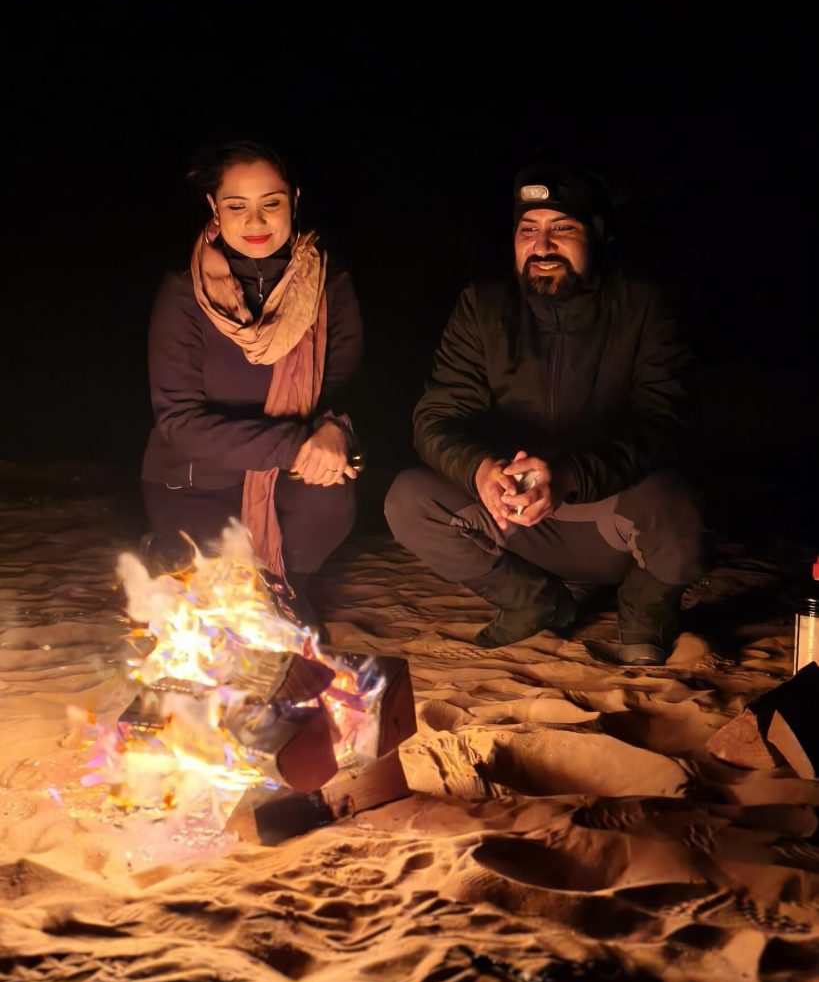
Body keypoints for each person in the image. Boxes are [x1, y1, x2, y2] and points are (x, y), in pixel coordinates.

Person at [385, 162, 703, 666]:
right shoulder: (483, 308)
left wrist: (570, 475)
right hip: (514, 515)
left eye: (563, 228)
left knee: (681, 509)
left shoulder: (642, 307)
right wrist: (481, 470)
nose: (542, 245)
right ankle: (535, 601)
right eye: (528, 229)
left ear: (596, 235)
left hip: (608, 520)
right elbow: (436, 417)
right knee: (408, 499)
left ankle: (645, 613)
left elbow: (666, 425)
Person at [141, 140, 362, 616]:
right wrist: (294, 445)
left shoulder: (328, 284)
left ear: (294, 200)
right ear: (214, 207)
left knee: (328, 495)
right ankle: (172, 554)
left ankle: (290, 587)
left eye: (270, 204)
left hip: (288, 478)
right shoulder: (183, 293)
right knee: (216, 615)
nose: (255, 222)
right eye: (237, 205)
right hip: (197, 482)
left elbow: (344, 384)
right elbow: (179, 421)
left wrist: (334, 428)